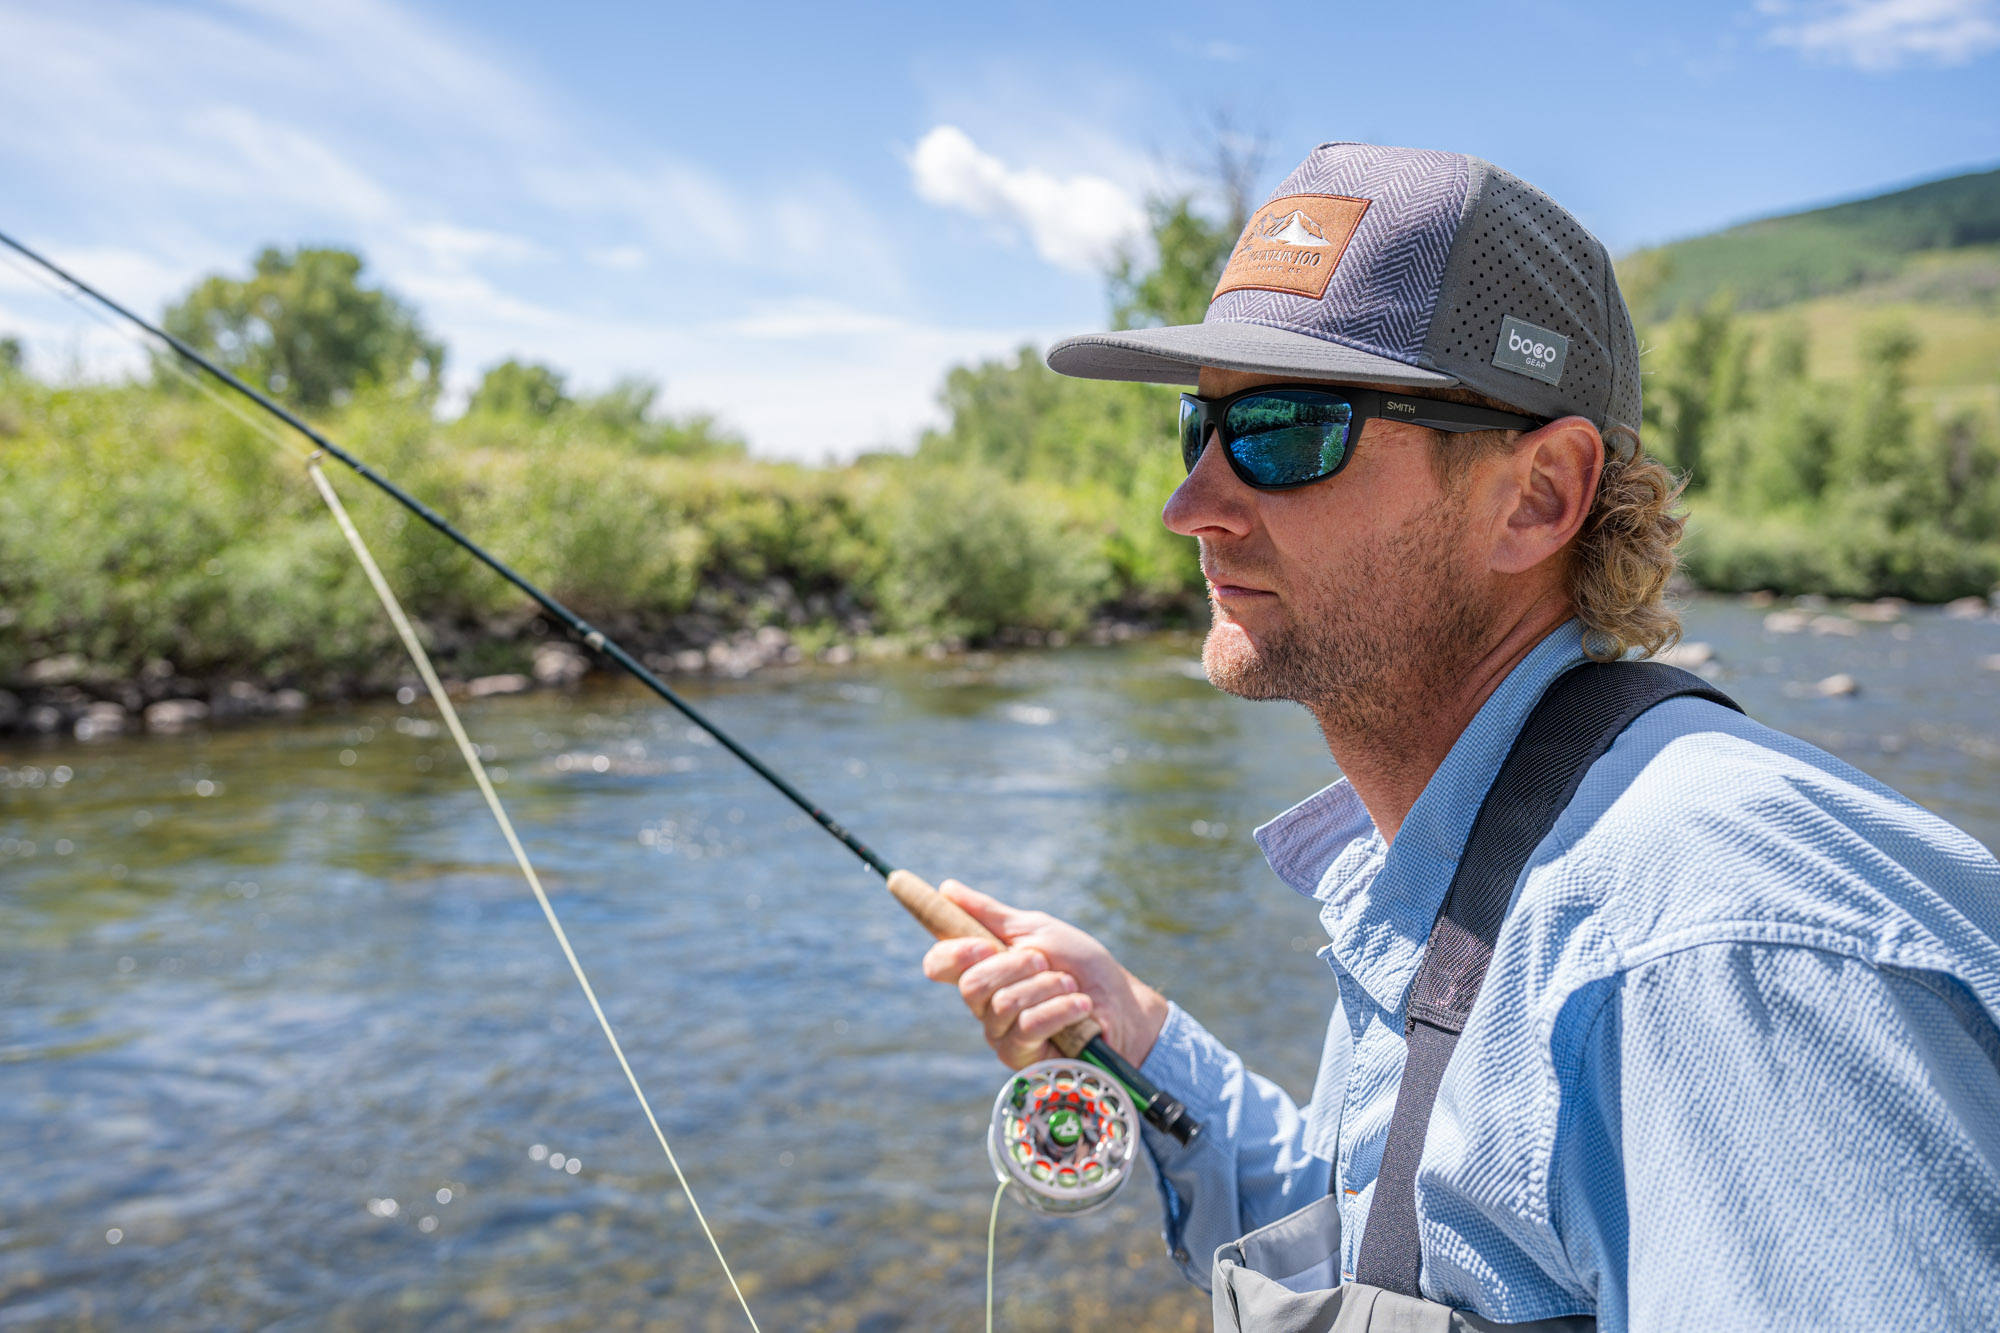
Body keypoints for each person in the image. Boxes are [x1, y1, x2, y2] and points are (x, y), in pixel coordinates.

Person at [920, 143, 2000, 1331]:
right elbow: (1417, 1239)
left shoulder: (1702, 951)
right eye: (1201, 424)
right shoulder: (1482, 854)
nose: (1192, 507)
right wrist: (1143, 1038)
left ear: (1536, 495)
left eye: (1287, 430)